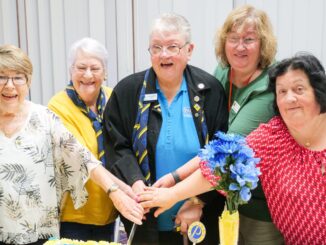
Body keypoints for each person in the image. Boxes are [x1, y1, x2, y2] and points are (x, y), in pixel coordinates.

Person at [139, 53, 326, 245]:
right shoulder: (273, 137)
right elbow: (222, 165)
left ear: (318, 91)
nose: (290, 98)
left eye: (299, 89)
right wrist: (173, 194)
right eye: (282, 92)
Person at [154, 5, 282, 245]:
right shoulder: (223, 73)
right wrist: (196, 199)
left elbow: (223, 152)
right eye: (233, 38)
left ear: (263, 44)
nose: (240, 46)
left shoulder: (268, 87)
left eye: (249, 39)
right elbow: (209, 133)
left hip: (260, 208)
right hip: (223, 200)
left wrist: (175, 183)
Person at [103, 13, 228, 244]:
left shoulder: (209, 90)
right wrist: (135, 181)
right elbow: (116, 145)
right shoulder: (128, 92)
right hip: (145, 218)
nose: (164, 55)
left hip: (196, 219)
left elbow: (220, 153)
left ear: (189, 50)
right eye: (156, 47)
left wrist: (198, 201)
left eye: (172, 47)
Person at [0, 44, 143, 245]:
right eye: (2, 77)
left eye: (18, 77)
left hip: (39, 235)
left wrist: (118, 191)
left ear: (28, 81)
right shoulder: (59, 106)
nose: (9, 85)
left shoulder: (44, 118)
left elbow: (82, 157)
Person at [48, 38, 118, 241]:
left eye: (95, 68)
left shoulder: (114, 98)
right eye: (81, 67)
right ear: (71, 71)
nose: (88, 75)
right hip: (74, 215)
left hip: (112, 212)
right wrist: (121, 190)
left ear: (105, 72)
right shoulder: (57, 106)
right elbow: (80, 159)